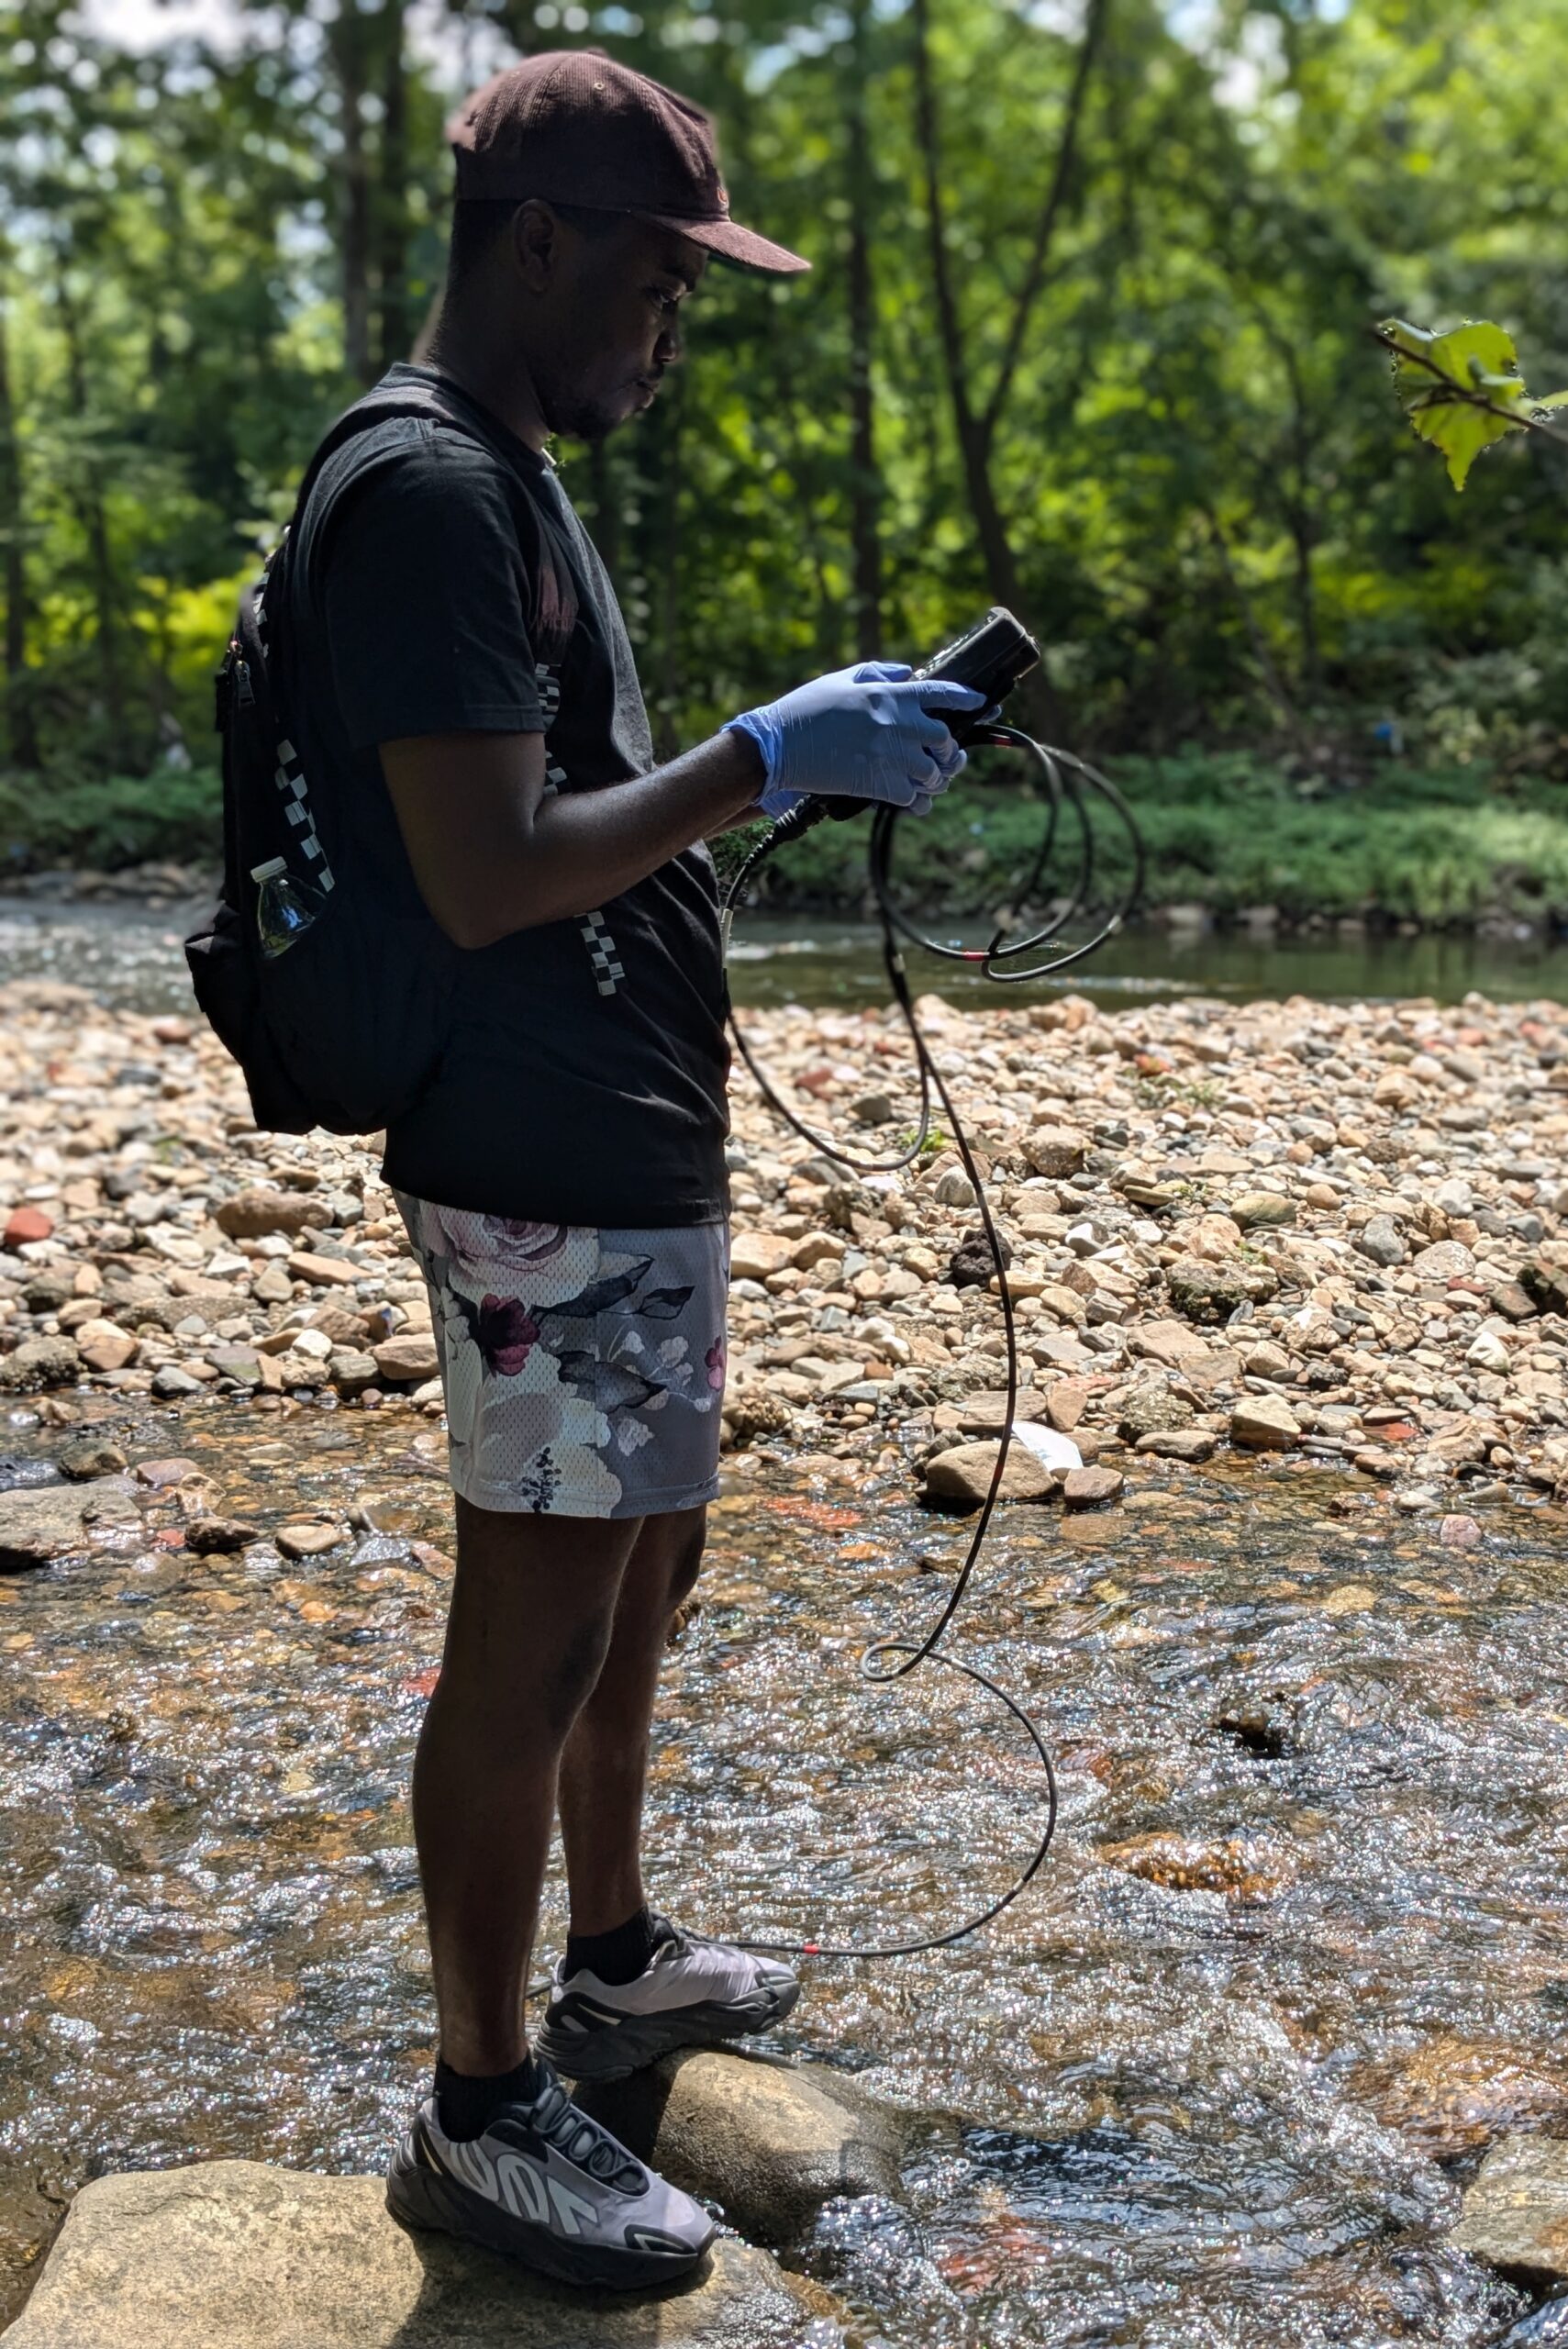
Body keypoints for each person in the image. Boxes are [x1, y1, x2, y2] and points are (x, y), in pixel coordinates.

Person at [278, 46, 984, 2295]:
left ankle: (611, 1961)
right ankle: (484, 2110)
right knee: (541, 1615)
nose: (677, 325)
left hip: (623, 1143)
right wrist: (760, 749)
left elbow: (583, 803)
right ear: (541, 240)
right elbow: (486, 876)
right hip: (535, 1159)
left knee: (643, 1566)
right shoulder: (425, 490)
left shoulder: (515, 473)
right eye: (664, 278)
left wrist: (759, 778)